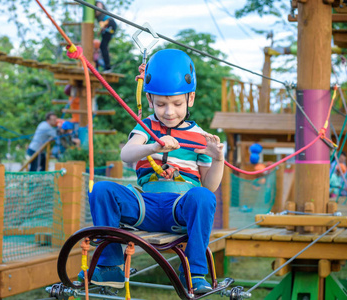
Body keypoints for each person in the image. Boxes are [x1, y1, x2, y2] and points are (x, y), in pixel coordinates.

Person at [79, 49, 224, 294]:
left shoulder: (200, 137)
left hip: (179, 208)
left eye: (177, 103)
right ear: (149, 101)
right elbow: (126, 155)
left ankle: (195, 272)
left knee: (204, 196)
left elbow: (209, 187)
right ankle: (109, 265)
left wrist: (218, 158)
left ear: (190, 99)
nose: (169, 111)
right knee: (101, 189)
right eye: (161, 104)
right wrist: (155, 145)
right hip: (144, 205)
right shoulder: (147, 126)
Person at [95, 1, 117, 72]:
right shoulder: (98, 15)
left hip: (110, 25)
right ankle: (106, 66)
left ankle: (107, 67)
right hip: (107, 27)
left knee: (103, 46)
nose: (97, 9)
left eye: (99, 6)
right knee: (103, 46)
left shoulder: (101, 11)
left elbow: (105, 22)